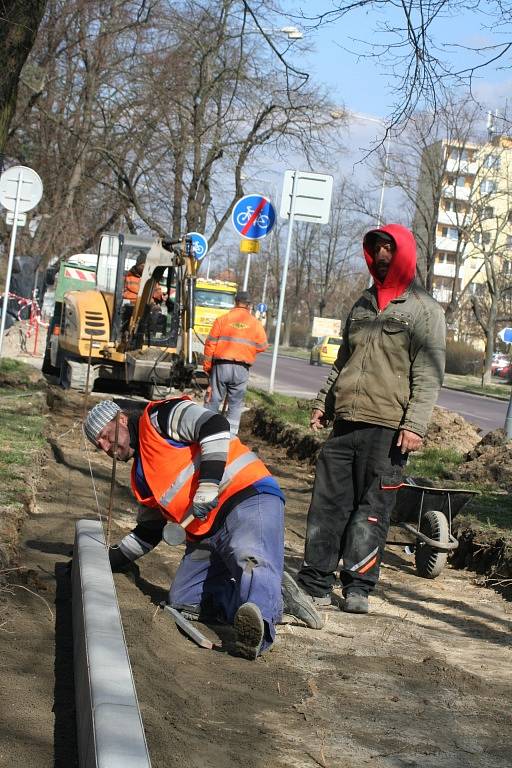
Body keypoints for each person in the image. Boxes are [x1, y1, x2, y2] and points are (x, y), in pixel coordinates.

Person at [83, 397, 323, 660]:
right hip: (207, 533)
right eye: (100, 445)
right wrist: (108, 559)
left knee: (248, 554)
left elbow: (215, 424)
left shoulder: (160, 417)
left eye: (106, 436)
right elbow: (148, 532)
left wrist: (208, 484)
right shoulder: (142, 476)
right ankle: (274, 594)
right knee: (184, 599)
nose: (107, 447)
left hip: (246, 494)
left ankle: (256, 632)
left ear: (121, 419)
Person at [296, 224, 446, 615]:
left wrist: (414, 425)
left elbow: (429, 375)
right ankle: (315, 583)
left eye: (388, 250)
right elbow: (343, 361)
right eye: (376, 249)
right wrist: (323, 403)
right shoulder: (362, 304)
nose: (381, 256)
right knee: (327, 506)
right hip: (345, 423)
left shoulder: (424, 311)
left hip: (388, 430)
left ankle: (359, 587)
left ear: (404, 255)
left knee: (372, 510)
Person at [203, 291, 268, 435]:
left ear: (235, 302)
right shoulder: (255, 324)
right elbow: (263, 345)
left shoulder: (222, 319)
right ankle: (231, 438)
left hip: (221, 366)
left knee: (213, 400)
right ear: (249, 305)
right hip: (241, 369)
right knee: (235, 404)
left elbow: (210, 345)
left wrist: (208, 368)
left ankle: (206, 433)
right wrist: (247, 350)